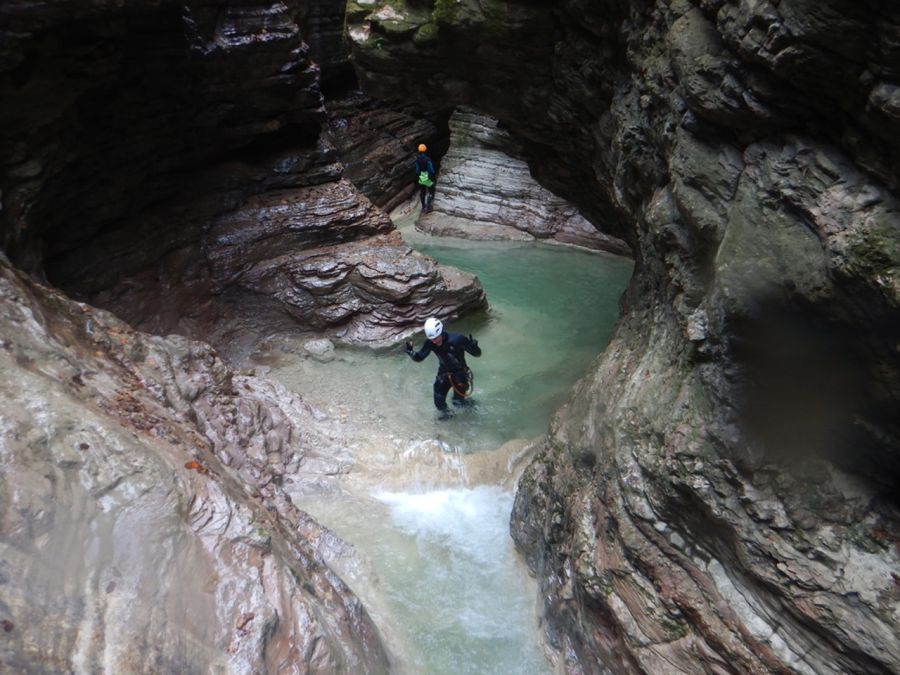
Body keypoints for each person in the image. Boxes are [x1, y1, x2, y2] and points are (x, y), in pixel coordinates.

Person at [405, 317, 481, 416]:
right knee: (439, 402)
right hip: (444, 372)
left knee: (458, 402)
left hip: (460, 373)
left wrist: (474, 347)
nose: (435, 342)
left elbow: (477, 354)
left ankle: (473, 407)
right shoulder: (430, 342)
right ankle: (449, 419)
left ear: (441, 331)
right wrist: (411, 353)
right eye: (432, 339)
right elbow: (420, 357)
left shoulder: (457, 339)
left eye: (436, 338)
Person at [414, 143, 436, 213]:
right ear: (425, 150)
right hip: (427, 176)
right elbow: (431, 170)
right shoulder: (427, 159)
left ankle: (423, 207)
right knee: (431, 191)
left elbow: (417, 171)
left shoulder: (418, 160)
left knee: (422, 192)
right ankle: (428, 206)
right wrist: (432, 176)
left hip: (421, 176)